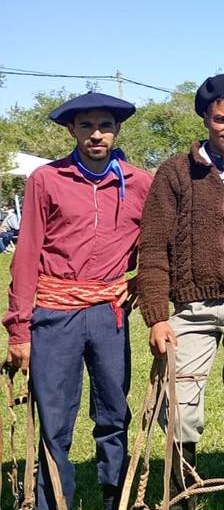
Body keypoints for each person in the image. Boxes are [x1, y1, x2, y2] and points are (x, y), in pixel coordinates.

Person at [2, 92, 152, 510]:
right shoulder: (46, 180)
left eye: (104, 125)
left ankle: (115, 500)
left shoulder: (140, 183)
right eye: (86, 126)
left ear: (117, 129)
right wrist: (19, 327)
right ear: (72, 130)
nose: (96, 134)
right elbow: (27, 254)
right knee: (54, 419)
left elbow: (158, 243)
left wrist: (142, 281)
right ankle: (53, 502)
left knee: (113, 414)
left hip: (108, 312)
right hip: (53, 312)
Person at [137, 74, 224, 510]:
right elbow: (154, 243)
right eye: (221, 119)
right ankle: (182, 499)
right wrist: (157, 314)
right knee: (180, 410)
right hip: (190, 309)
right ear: (206, 118)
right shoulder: (176, 171)